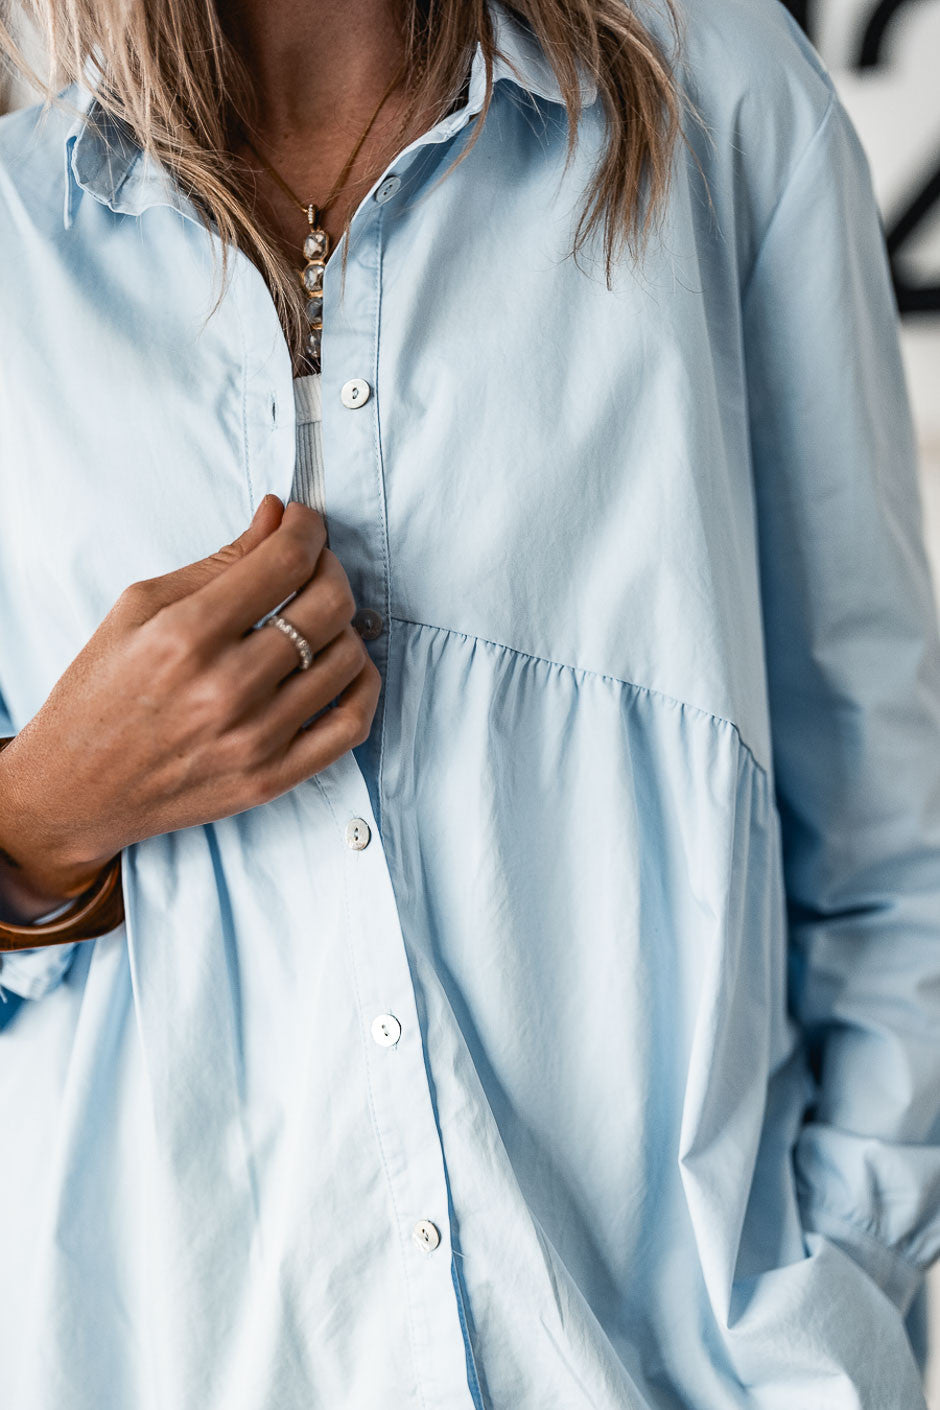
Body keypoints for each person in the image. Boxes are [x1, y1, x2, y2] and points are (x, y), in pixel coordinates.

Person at [0, 0, 938, 1405]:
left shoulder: (719, 96)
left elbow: (886, 823)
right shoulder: (17, 249)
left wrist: (833, 1318)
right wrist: (35, 817)